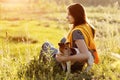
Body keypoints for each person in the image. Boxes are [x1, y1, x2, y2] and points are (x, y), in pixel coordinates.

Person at [40, 3, 99, 73]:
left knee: (46, 44)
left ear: (76, 15)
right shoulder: (87, 26)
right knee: (64, 40)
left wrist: (64, 58)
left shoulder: (77, 32)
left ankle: (42, 68)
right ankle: (59, 57)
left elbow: (85, 54)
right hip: (80, 64)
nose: (66, 17)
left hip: (72, 65)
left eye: (69, 14)